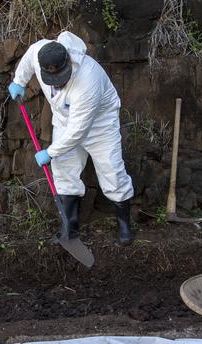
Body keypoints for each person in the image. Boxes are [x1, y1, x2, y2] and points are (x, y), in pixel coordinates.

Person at [7, 31, 135, 246]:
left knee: (112, 172)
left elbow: (78, 131)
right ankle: (70, 228)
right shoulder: (42, 52)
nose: (57, 84)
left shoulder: (88, 79)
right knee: (64, 170)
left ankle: (124, 224)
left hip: (98, 126)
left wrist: (50, 152)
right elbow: (30, 56)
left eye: (60, 79)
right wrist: (19, 80)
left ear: (68, 63)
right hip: (64, 120)